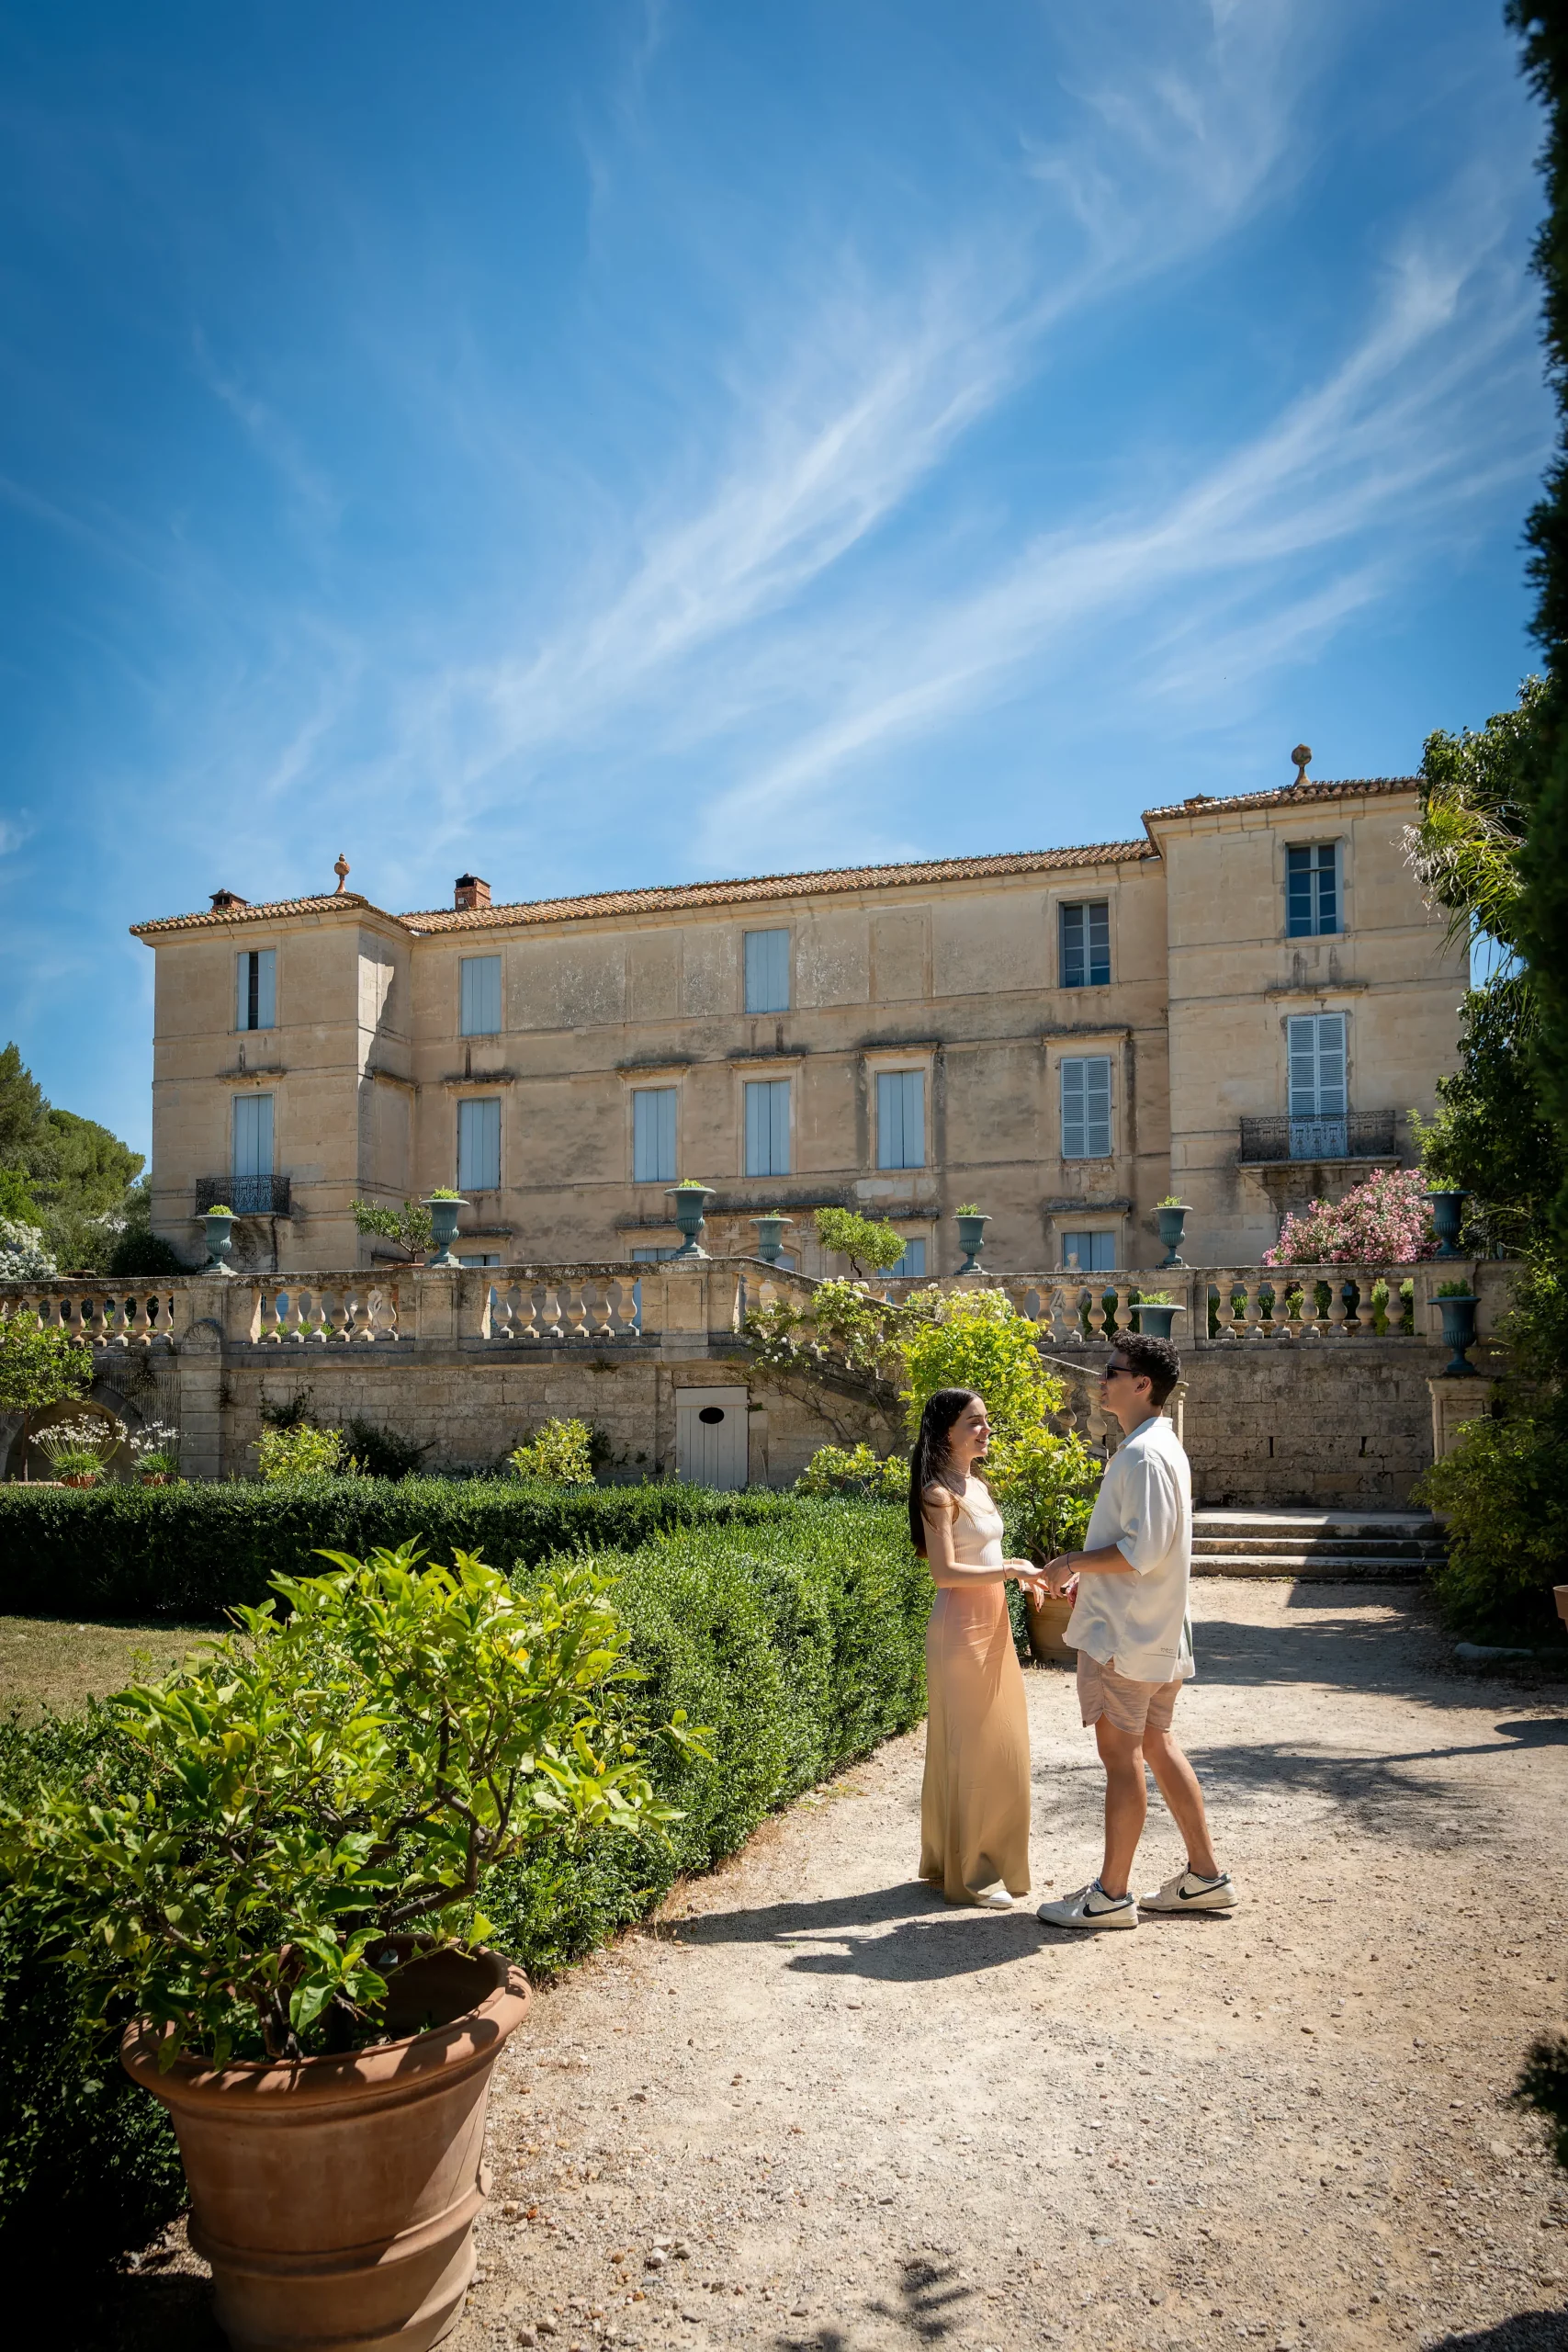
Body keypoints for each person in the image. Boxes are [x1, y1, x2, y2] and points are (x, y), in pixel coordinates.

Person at [1033, 1334, 1236, 1930]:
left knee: (1120, 1758)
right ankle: (1205, 1877)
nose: (1102, 1381)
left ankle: (1111, 1895)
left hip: (1126, 1638)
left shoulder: (1143, 1454)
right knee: (1156, 1745)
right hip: (1156, 1631)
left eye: (1112, 1372)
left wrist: (1071, 1562)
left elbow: (1140, 1551)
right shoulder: (1158, 1446)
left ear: (1142, 1384)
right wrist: (1088, 1575)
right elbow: (1146, 1548)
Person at [912, 1387, 1043, 1910]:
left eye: (986, 1420)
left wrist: (1024, 1575)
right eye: (974, 1422)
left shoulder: (978, 1486)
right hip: (959, 1630)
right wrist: (1011, 1570)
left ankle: (972, 1859)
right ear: (947, 1432)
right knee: (972, 1747)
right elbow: (944, 1573)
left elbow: (988, 1554)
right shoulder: (938, 1494)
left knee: (998, 1742)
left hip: (994, 1623)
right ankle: (969, 1876)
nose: (986, 1430)